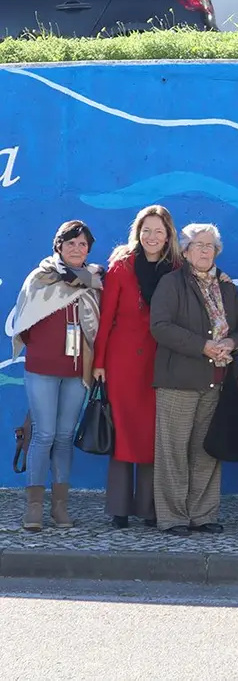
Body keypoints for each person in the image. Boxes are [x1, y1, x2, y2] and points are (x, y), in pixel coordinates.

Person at [149, 223, 238, 536]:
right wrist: (203, 346)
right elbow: (160, 326)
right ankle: (173, 517)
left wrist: (232, 343)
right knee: (173, 451)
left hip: (216, 381)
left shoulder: (228, 287)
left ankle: (202, 515)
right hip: (179, 379)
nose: (204, 251)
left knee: (207, 450)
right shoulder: (172, 283)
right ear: (186, 251)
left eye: (210, 246)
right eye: (198, 245)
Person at [11, 220, 103, 531]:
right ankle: (34, 507)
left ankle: (60, 507)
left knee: (64, 436)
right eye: (71, 243)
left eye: (82, 244)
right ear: (58, 247)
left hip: (77, 371)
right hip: (42, 369)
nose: (77, 249)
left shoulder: (93, 282)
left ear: (88, 248)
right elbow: (23, 319)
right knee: (44, 434)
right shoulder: (40, 278)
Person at [95, 205, 181, 530]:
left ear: (168, 234)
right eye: (147, 230)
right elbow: (106, 319)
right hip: (122, 362)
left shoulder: (177, 268)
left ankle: (148, 507)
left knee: (151, 436)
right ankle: (118, 508)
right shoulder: (121, 267)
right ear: (138, 232)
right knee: (122, 434)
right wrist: (99, 362)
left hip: (159, 362)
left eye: (159, 231)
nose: (152, 237)